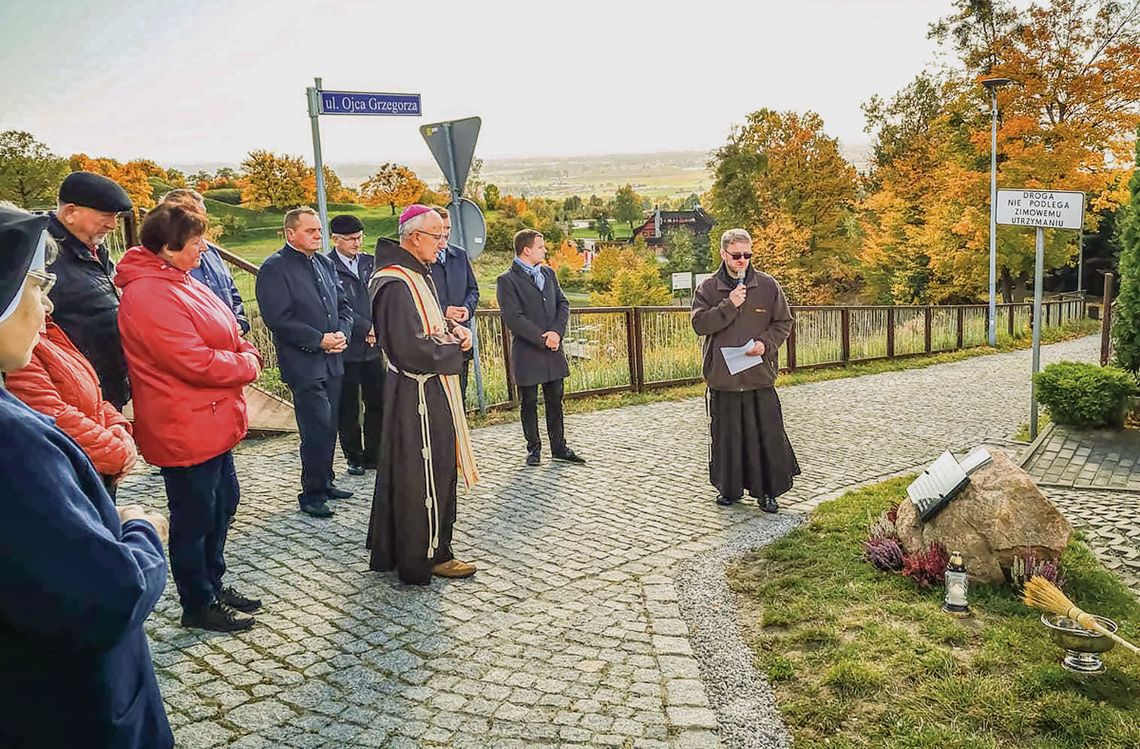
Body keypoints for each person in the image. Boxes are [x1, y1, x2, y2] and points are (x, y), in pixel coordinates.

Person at [0, 203, 173, 748]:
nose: (47, 301)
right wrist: (142, 530)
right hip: (67, 708)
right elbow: (105, 596)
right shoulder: (13, 441)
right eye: (37, 283)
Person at [116, 204, 264, 632]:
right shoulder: (147, 293)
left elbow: (229, 332)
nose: (204, 248)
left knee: (223, 503)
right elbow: (191, 360)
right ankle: (196, 602)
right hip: (184, 421)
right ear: (167, 247)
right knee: (194, 516)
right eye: (196, 242)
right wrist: (246, 365)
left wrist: (242, 352)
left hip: (211, 418)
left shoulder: (176, 278)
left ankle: (213, 582)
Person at [366, 204, 479, 585]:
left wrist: (452, 329)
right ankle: (428, 554)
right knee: (426, 473)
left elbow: (428, 324)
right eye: (436, 235)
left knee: (425, 470)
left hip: (426, 391)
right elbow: (409, 348)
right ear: (414, 237)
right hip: (418, 394)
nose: (441, 242)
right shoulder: (396, 282)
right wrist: (457, 348)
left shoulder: (415, 274)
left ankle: (418, 547)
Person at [691, 228, 800, 513]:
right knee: (727, 437)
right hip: (724, 379)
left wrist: (766, 344)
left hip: (758, 376)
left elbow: (783, 322)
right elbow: (700, 325)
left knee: (766, 437)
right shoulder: (708, 288)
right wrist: (729, 305)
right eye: (736, 255)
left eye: (747, 255)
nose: (742, 260)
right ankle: (729, 489)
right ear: (723, 254)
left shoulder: (767, 285)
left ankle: (767, 493)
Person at [256, 207, 355, 518]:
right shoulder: (274, 268)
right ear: (290, 234)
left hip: (334, 357)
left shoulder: (324, 262)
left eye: (318, 230)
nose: (318, 235)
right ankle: (311, 492)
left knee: (331, 425)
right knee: (315, 427)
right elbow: (278, 318)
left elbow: (343, 304)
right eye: (310, 231)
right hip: (303, 361)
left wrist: (342, 333)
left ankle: (326, 480)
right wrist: (318, 339)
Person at [4, 312, 138, 498]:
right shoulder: (18, 351)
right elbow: (51, 416)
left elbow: (92, 394)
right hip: (69, 477)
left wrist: (118, 425)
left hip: (91, 466)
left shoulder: (48, 335)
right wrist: (118, 451)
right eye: (36, 287)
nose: (48, 304)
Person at [496, 229, 586, 467]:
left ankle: (559, 447)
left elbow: (562, 303)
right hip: (528, 350)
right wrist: (541, 337)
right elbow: (513, 317)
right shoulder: (507, 280)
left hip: (553, 348)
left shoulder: (548, 273)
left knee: (555, 399)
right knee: (529, 402)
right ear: (527, 250)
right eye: (541, 247)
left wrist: (556, 332)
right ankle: (533, 449)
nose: (545, 250)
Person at [46, 170, 133, 409]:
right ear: (70, 212)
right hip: (73, 395)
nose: (114, 225)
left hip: (107, 386)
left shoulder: (95, 248)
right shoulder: (44, 257)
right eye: (107, 215)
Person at [328, 214, 385, 475]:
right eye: (351, 239)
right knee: (348, 407)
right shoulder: (327, 266)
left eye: (359, 238)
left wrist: (379, 326)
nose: (356, 243)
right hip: (347, 347)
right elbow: (339, 305)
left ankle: (375, 453)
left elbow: (381, 295)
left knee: (378, 401)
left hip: (374, 346)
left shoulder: (370, 262)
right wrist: (365, 327)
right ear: (335, 239)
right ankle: (354, 456)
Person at [158, 189, 250, 334]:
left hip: (230, 341)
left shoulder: (210, 251)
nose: (198, 223)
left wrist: (240, 321)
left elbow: (231, 290)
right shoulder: (160, 264)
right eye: (192, 217)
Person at [428, 205, 479, 400]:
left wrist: (467, 309)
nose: (445, 234)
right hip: (436, 340)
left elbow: (473, 289)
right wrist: (444, 311)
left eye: (448, 228)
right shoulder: (424, 259)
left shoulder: (459, 255)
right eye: (441, 229)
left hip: (461, 339)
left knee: (460, 395)